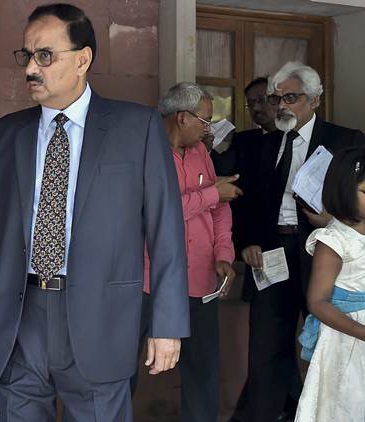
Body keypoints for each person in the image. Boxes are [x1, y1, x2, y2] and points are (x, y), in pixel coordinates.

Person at [0, 4, 190, 421]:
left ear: (83, 59)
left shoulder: (136, 128)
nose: (31, 68)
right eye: (27, 56)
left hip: (102, 320)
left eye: (45, 56)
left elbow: (166, 231)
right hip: (17, 320)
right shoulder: (2, 137)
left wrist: (168, 324)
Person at [230, 61, 365, 422]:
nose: (281, 106)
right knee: (265, 346)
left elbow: (358, 197)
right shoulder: (263, 144)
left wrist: (333, 220)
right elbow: (245, 201)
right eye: (276, 99)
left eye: (290, 97)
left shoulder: (346, 140)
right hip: (271, 253)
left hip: (324, 251)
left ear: (315, 100)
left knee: (326, 342)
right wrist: (247, 242)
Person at [132, 82, 238, 422]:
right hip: (148, 279)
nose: (209, 129)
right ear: (182, 118)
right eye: (205, 120)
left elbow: (220, 210)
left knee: (202, 372)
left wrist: (224, 254)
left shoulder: (201, 153)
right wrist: (212, 194)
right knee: (122, 369)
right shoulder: (143, 150)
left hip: (201, 278)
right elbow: (154, 211)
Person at [294, 146, 365, 421]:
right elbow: (317, 301)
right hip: (346, 338)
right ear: (344, 192)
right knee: (346, 404)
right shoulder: (335, 240)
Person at [211, 77, 278, 177]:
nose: (255, 107)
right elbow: (224, 169)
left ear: (277, 100)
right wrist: (206, 147)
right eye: (250, 103)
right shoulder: (243, 139)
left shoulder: (294, 138)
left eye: (261, 100)